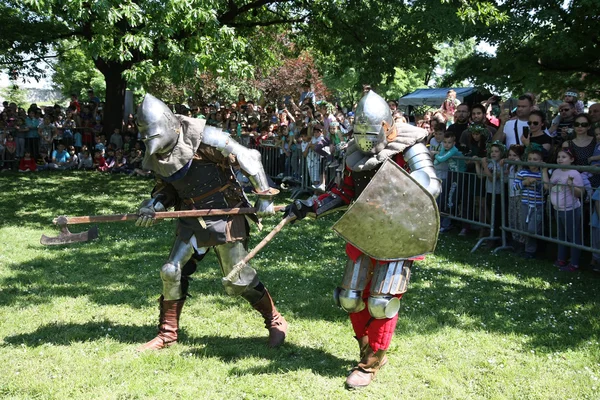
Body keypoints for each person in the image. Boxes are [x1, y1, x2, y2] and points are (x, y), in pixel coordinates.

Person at [284, 90, 440, 389]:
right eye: (360, 132)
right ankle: (372, 352)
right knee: (350, 299)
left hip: (398, 233)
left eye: (371, 133)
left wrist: (394, 197)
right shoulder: (356, 153)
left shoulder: (408, 146)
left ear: (385, 127)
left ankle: (369, 364)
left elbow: (429, 185)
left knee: (381, 302)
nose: (366, 139)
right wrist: (311, 206)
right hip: (364, 230)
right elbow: (345, 192)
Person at [134, 94, 287, 351]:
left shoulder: (204, 137)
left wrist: (263, 196)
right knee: (171, 270)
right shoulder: (160, 155)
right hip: (191, 217)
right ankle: (167, 333)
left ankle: (275, 320)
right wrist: (154, 205)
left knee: (236, 280)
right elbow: (168, 188)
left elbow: (248, 156)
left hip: (225, 214)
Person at [543, 148, 583, 271]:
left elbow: (580, 193)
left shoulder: (574, 173)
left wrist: (571, 186)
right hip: (557, 209)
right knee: (561, 235)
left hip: (570, 209)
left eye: (564, 157)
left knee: (573, 236)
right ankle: (561, 259)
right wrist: (544, 171)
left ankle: (574, 263)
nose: (560, 159)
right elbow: (548, 187)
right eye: (559, 156)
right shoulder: (556, 171)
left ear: (572, 159)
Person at [513, 147, 545, 259]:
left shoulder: (543, 174)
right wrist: (525, 182)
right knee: (526, 228)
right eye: (530, 158)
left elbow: (545, 190)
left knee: (533, 229)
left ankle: (537, 246)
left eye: (535, 159)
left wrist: (537, 184)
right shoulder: (522, 172)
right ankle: (529, 251)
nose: (532, 161)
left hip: (538, 205)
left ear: (541, 161)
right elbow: (515, 187)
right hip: (525, 204)